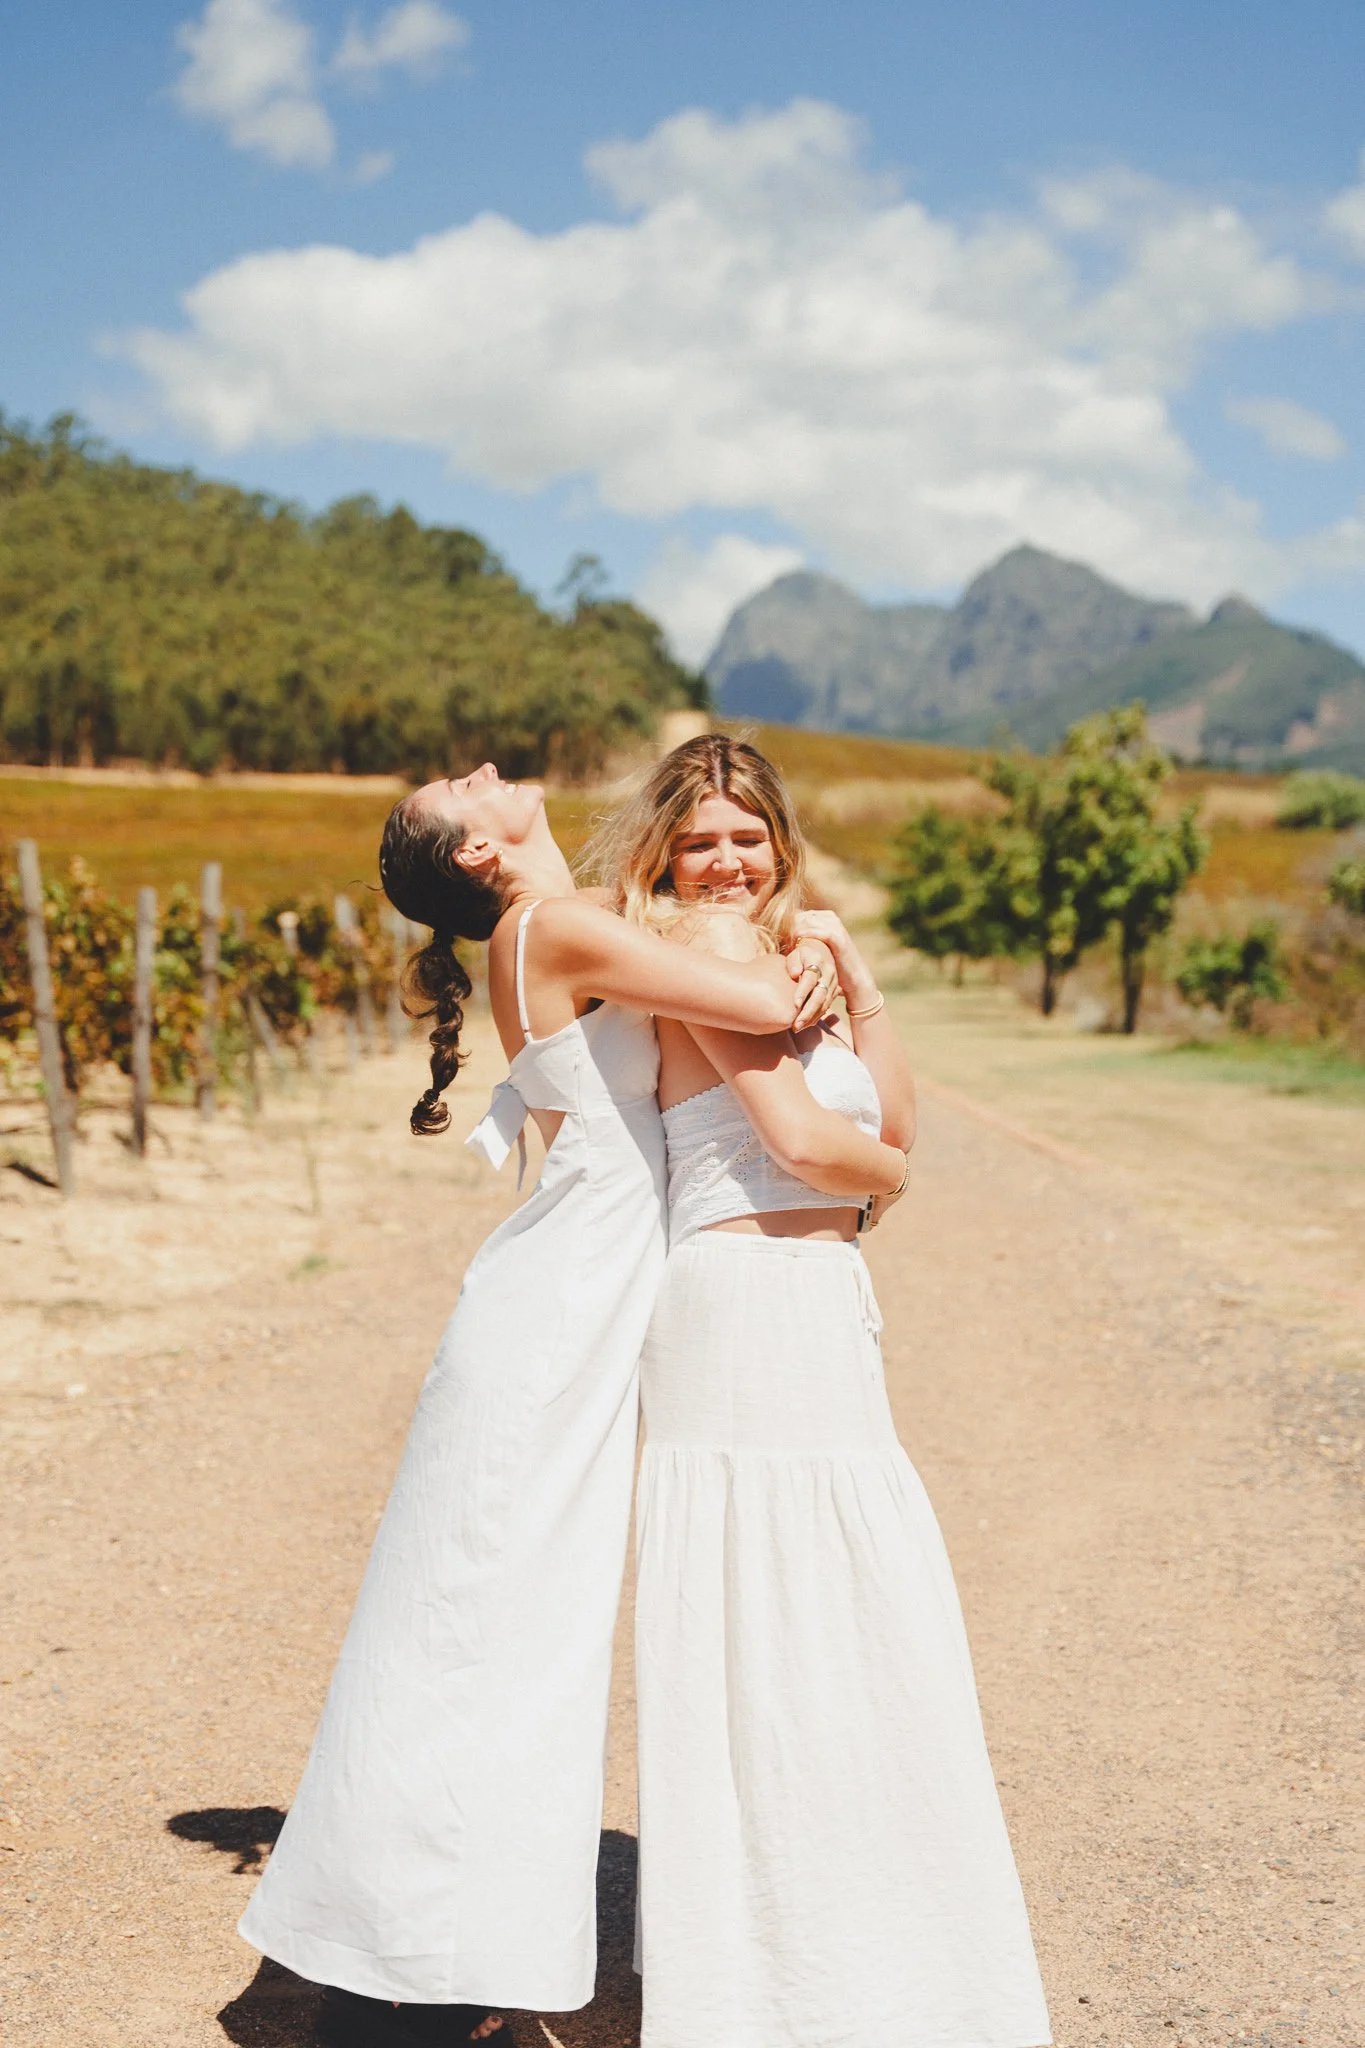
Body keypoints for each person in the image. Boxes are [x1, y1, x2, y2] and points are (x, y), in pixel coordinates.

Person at [237, 762, 854, 2048]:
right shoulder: (560, 926)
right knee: (488, 1613)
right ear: (475, 854)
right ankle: (407, 1959)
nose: (485, 770)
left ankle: (436, 1941)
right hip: (558, 1313)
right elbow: (751, 997)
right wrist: (824, 949)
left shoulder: (557, 926)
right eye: (460, 789)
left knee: (503, 1614)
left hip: (570, 1301)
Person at [603, 735, 1052, 2048]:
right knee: (757, 1620)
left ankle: (863, 1920)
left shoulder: (789, 965)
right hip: (738, 1309)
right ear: (665, 853)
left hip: (819, 1308)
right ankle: (760, 1956)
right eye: (703, 839)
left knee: (854, 1614)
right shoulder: (682, 962)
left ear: (780, 844)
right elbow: (812, 1144)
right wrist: (888, 1189)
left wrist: (855, 976)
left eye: (749, 836)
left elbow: (888, 1119)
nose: (727, 860)